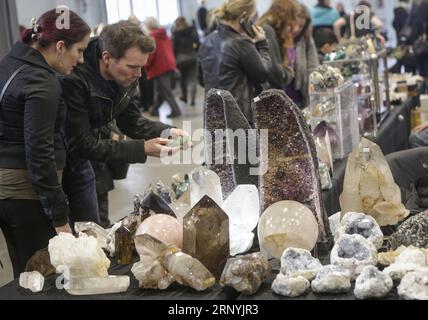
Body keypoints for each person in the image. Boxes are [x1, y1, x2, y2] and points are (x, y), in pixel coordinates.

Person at [60, 22, 187, 225]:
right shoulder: (74, 79)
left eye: (141, 67)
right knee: (84, 230)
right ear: (107, 57)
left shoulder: (127, 77)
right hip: (65, 163)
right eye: (132, 67)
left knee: (97, 224)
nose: (139, 75)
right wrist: (142, 148)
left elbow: (132, 122)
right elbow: (79, 143)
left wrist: (167, 131)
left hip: (94, 159)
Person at [0, 9, 91, 278]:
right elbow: (40, 153)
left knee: (24, 276)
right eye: (80, 50)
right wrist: (60, 218)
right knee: (42, 278)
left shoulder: (9, 64)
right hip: (26, 196)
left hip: (7, 193)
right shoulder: (42, 81)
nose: (81, 59)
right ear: (61, 46)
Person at [199, 0, 271, 123]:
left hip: (212, 117)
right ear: (244, 17)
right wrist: (262, 44)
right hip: (238, 117)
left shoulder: (207, 41)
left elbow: (201, 79)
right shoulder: (241, 42)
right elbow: (263, 74)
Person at [143, 17, 182, 118]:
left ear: (147, 26)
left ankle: (176, 110)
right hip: (168, 64)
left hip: (159, 67)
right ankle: (154, 110)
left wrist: (145, 64)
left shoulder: (152, 36)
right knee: (160, 91)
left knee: (165, 91)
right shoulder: (165, 35)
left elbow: (151, 54)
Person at [285, 2, 319, 109]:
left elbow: (313, 67)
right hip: (282, 93)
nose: (297, 29)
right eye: (295, 24)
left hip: (300, 97)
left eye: (301, 26)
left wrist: (312, 82)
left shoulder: (307, 40)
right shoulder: (280, 39)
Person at [257, 0, 297, 90]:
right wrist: (288, 73)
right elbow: (274, 71)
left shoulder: (265, 28)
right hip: (268, 92)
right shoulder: (267, 30)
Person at [172, 17, 200, 107]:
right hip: (192, 57)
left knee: (183, 79)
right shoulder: (191, 30)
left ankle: (184, 97)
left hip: (181, 59)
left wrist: (175, 58)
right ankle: (192, 100)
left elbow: (174, 49)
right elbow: (197, 42)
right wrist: (195, 49)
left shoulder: (175, 34)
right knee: (193, 79)